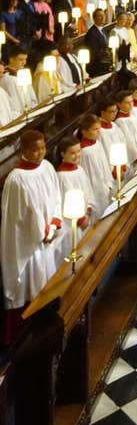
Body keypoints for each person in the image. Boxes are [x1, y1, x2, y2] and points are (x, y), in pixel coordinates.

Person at [1, 131, 63, 323]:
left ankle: (50, 314)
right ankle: (35, 321)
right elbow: (19, 217)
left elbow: (56, 196)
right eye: (35, 150)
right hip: (30, 244)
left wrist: (54, 222)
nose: (41, 153)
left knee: (50, 281)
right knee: (34, 284)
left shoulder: (47, 167)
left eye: (43, 148)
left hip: (48, 234)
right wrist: (44, 231)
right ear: (24, 150)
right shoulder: (16, 179)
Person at [56, 136, 94, 231]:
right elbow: (67, 201)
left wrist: (88, 208)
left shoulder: (79, 169)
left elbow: (87, 190)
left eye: (78, 151)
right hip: (73, 222)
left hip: (85, 215)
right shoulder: (62, 176)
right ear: (63, 154)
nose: (77, 155)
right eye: (72, 153)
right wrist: (80, 220)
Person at [1, 43, 38, 115]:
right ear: (11, 59)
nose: (24, 63)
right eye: (21, 60)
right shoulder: (7, 78)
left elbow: (32, 96)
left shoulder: (23, 74)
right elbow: (15, 104)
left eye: (25, 59)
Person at [84, 8, 112, 76]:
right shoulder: (91, 33)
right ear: (94, 18)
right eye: (100, 16)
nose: (102, 18)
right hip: (97, 67)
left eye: (103, 15)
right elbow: (94, 52)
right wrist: (107, 55)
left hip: (106, 62)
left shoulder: (104, 29)